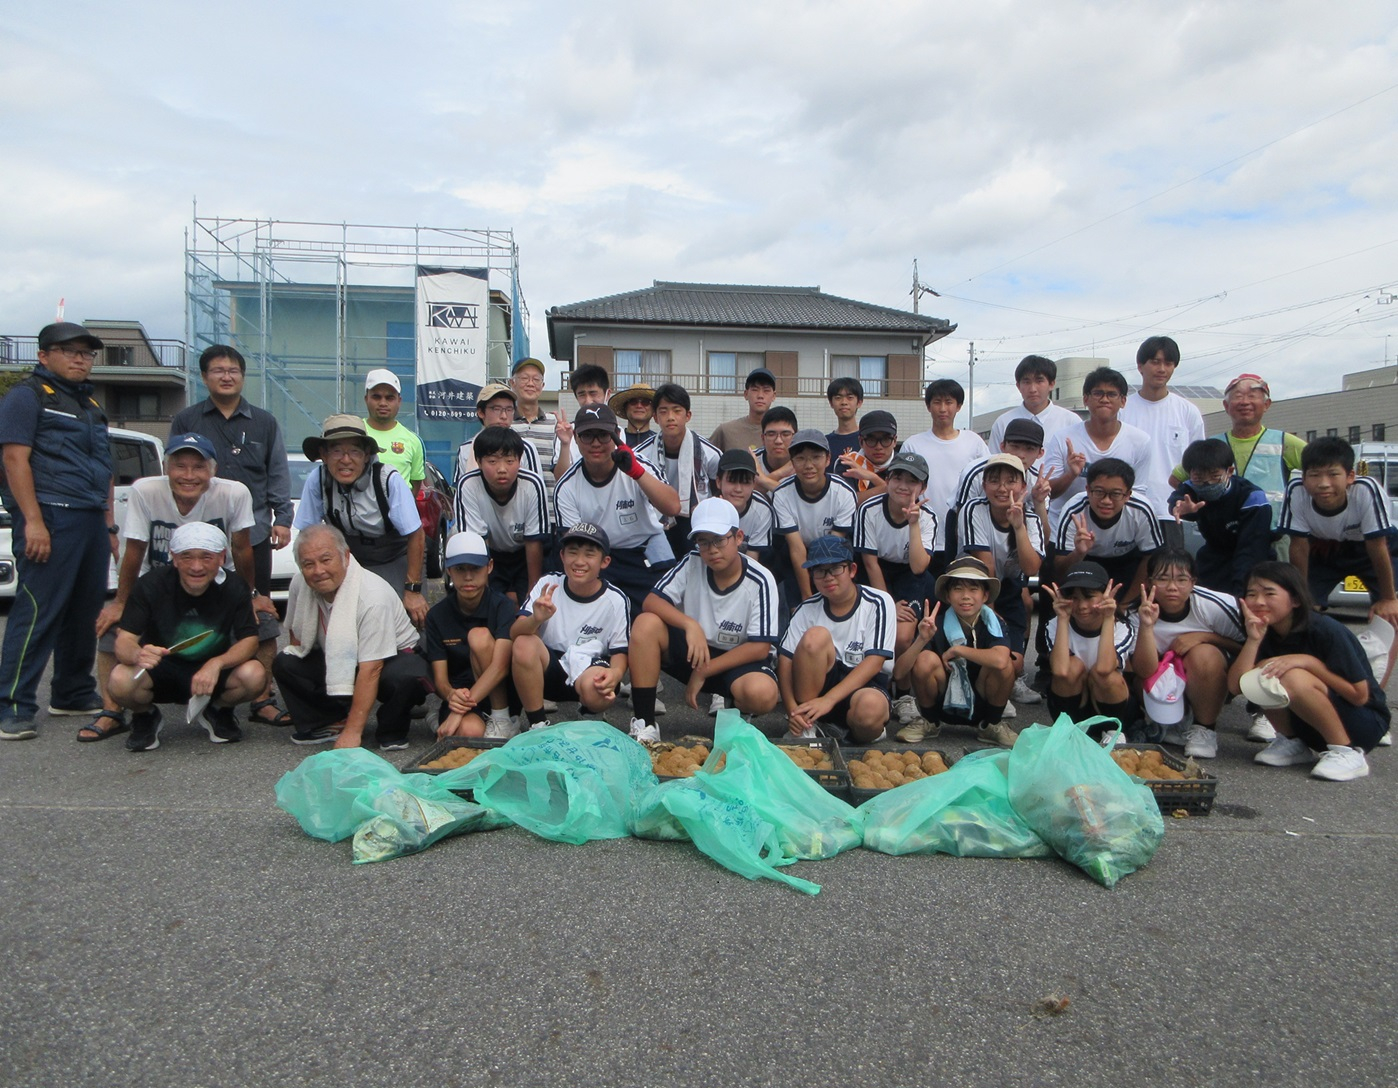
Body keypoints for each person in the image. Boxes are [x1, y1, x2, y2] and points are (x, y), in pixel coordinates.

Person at [88, 432, 279, 742]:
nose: (188, 475)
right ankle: (119, 711)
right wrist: (122, 602)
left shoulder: (234, 493)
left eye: (198, 467)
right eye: (180, 466)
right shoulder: (145, 491)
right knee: (113, 631)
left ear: (213, 470)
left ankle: (256, 702)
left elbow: (242, 548)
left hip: (219, 582)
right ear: (166, 468)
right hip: (161, 584)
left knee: (264, 626)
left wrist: (252, 595)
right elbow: (134, 548)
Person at [0, 322, 115, 740]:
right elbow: (14, 459)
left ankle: (71, 690)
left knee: (85, 611)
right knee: (37, 610)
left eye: (86, 353)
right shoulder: (26, 396)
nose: (80, 359)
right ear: (44, 355)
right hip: (50, 513)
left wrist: (109, 523)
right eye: (70, 351)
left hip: (89, 517)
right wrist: (32, 520)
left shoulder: (89, 403)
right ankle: (13, 704)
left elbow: (105, 467)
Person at [168, 343, 294, 650]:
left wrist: (283, 518)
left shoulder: (264, 422)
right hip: (201, 528)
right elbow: (175, 470)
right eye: (218, 371)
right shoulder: (188, 420)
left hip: (255, 530)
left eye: (233, 371)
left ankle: (260, 690)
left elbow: (276, 470)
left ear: (242, 376)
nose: (227, 376)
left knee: (257, 603)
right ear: (204, 376)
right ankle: (209, 673)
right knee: (202, 603)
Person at [629, 498, 782, 741]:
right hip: (695, 650)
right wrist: (690, 625)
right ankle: (645, 723)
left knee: (762, 693)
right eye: (703, 541)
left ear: (739, 537)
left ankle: (737, 720)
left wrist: (704, 671)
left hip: (737, 659)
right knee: (646, 624)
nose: (711, 549)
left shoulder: (761, 579)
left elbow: (760, 647)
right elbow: (651, 601)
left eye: (719, 539)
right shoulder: (692, 561)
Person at [108, 523, 265, 751]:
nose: (196, 566)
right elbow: (124, 640)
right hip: (162, 666)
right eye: (186, 557)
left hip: (211, 671)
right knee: (120, 680)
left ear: (222, 558)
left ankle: (218, 710)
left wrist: (217, 663)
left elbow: (249, 640)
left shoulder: (234, 586)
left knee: (255, 675)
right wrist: (137, 653)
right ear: (173, 558)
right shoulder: (151, 584)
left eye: (206, 557)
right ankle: (145, 716)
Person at [1231, 561, 1389, 782]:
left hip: (1361, 723)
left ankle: (1347, 753)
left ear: (1295, 599)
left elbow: (1359, 695)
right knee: (1260, 672)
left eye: (1269, 594)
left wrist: (1309, 663)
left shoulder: (1325, 630)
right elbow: (1237, 685)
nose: (1259, 602)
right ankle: (1291, 742)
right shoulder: (1260, 628)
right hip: (1307, 724)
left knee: (1292, 676)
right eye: (1251, 594)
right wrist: (1253, 640)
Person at [273, 524, 428, 749]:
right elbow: (297, 638)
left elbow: (372, 668)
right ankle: (331, 720)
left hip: (388, 662)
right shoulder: (300, 584)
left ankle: (391, 727)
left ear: (345, 556)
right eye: (308, 564)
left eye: (326, 560)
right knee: (287, 662)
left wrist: (353, 733)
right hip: (342, 658)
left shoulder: (372, 596)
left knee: (406, 677)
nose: (318, 571)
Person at [294, 415, 428, 626]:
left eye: (355, 451)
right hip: (348, 559)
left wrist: (413, 589)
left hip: (392, 556)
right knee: (333, 619)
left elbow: (416, 534)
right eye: (337, 450)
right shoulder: (317, 480)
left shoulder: (388, 479)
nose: (346, 460)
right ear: (324, 454)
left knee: (405, 620)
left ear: (367, 455)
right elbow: (307, 534)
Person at [552, 404, 681, 613]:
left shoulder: (638, 464)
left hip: (644, 547)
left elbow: (673, 506)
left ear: (617, 435)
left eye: (604, 436)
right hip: (597, 554)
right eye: (587, 436)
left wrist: (636, 472)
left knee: (662, 610)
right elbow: (573, 544)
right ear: (575, 438)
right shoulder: (566, 485)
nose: (596, 444)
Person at [510, 523, 631, 729]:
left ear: (605, 561)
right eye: (572, 553)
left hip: (590, 667)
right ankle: (537, 725)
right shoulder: (548, 584)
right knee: (523, 644)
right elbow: (515, 632)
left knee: (599, 689)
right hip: (550, 667)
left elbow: (620, 650)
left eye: (589, 554)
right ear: (562, 556)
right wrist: (536, 619)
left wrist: (615, 674)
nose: (579, 561)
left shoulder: (616, 599)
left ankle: (590, 716)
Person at [778, 535, 894, 742]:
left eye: (835, 568)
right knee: (816, 636)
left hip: (865, 685)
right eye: (820, 571)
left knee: (869, 713)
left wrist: (829, 700)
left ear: (852, 570)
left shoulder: (879, 601)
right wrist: (793, 711)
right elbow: (785, 660)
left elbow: (875, 662)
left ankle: (852, 734)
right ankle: (808, 725)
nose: (828, 577)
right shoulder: (807, 608)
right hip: (817, 690)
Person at [853, 450, 937, 733]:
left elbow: (918, 566)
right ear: (887, 480)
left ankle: (902, 693)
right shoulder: (870, 510)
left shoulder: (928, 517)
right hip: (875, 570)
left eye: (912, 481)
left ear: (922, 487)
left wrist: (913, 524)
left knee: (902, 633)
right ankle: (873, 683)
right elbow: (869, 561)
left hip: (908, 573)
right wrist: (887, 603)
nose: (903, 485)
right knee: (873, 623)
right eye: (897, 477)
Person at [893, 555, 1017, 748]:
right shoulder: (936, 624)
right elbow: (899, 673)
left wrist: (959, 650)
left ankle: (991, 725)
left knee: (1005, 665)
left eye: (973, 589)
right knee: (925, 659)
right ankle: (929, 722)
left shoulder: (994, 623)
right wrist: (921, 640)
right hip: (943, 702)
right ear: (948, 595)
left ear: (985, 596)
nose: (965, 596)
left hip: (984, 698)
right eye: (958, 589)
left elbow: (1001, 660)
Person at [1132, 549, 1245, 758]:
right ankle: (1171, 722)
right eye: (1163, 579)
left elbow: (1249, 648)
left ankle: (1205, 728)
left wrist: (1206, 637)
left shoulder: (1214, 605)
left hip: (1211, 676)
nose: (1172, 587)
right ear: (1149, 582)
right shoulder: (1136, 612)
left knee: (1203, 655)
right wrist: (1147, 626)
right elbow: (1142, 670)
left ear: (1193, 582)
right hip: (1162, 680)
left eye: (1181, 579)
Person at [1280, 436, 1398, 629]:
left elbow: (1377, 545)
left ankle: (1380, 658)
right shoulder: (1296, 491)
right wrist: (1301, 594)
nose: (1323, 483)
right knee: (1300, 608)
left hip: (1370, 549)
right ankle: (1308, 653)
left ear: (1350, 476)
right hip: (1323, 548)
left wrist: (1388, 598)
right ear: (1303, 477)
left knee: (1391, 612)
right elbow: (1299, 546)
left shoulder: (1365, 490)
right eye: (1315, 475)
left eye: (1333, 474)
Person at [1170, 373, 1304, 536]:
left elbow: (1321, 469)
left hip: (1274, 535)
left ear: (1267, 404)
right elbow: (1176, 478)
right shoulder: (1212, 446)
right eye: (1238, 396)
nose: (1245, 402)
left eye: (1252, 396)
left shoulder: (1286, 442)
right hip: (1223, 537)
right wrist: (1204, 503)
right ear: (1226, 406)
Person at [957, 453, 1045, 686]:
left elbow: (1032, 567)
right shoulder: (973, 509)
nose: (1002, 488)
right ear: (984, 485)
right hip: (975, 583)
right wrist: (991, 614)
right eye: (994, 481)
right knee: (990, 649)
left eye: (1011, 481)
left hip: (1009, 585)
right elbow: (986, 565)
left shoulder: (1032, 520)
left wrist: (1018, 527)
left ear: (1023, 486)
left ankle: (1013, 680)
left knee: (1012, 663)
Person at [422, 532, 518, 740]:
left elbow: (500, 667)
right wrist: (450, 695)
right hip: (462, 693)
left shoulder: (504, 607)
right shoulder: (436, 615)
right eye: (460, 569)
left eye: (475, 568)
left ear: (489, 567)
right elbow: (440, 679)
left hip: (498, 692)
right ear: (448, 570)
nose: (468, 577)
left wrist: (457, 712)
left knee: (480, 636)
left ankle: (501, 718)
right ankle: (438, 719)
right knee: (470, 733)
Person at [1041, 367, 1154, 537]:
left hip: (1117, 535)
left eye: (1112, 394)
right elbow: (1049, 493)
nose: (1104, 399)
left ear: (1123, 401)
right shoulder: (1063, 438)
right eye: (1098, 393)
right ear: (1086, 399)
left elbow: (1136, 495)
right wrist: (1071, 474)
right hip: (1067, 530)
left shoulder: (1140, 441)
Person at [1118, 336, 1204, 543]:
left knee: (1170, 573)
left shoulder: (1188, 412)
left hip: (1171, 512)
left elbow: (1198, 465)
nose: (1162, 369)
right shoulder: (1122, 409)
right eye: (1155, 362)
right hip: (1128, 510)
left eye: (1168, 363)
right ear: (1140, 366)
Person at [452, 426, 551, 602]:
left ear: (520, 460)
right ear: (479, 461)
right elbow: (477, 542)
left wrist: (532, 590)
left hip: (524, 554)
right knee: (489, 604)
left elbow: (534, 541)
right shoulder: (467, 485)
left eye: (509, 461)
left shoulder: (532, 485)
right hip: (491, 554)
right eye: (492, 461)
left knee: (532, 603)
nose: (502, 469)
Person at [898, 378, 989, 564]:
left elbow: (987, 483)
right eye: (937, 402)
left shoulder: (974, 442)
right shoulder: (913, 444)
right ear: (928, 406)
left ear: (959, 406)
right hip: (923, 535)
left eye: (949, 402)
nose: (942, 408)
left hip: (965, 535)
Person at [1044, 561, 1137, 738]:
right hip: (1070, 707)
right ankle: (1070, 730)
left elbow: (1103, 668)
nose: (1082, 606)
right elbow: (1061, 671)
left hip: (1111, 709)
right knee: (1071, 668)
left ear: (1106, 596)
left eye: (1089, 596)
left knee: (1106, 675)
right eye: (1074, 597)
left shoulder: (1122, 627)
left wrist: (1108, 618)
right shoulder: (1054, 624)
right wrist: (1063, 618)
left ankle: (1113, 732)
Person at [1168, 438, 1272, 597]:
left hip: (1252, 553)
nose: (1207, 483)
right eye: (1199, 477)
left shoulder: (1252, 497)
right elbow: (1178, 500)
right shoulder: (1191, 487)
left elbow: (1252, 549)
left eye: (1214, 476)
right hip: (1214, 555)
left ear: (1229, 471)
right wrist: (1181, 508)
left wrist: (1241, 594)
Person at [1052, 458, 1162, 603]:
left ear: (1128, 495)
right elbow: (1060, 571)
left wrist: (1125, 605)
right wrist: (1078, 553)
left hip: (1127, 561)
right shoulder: (1073, 511)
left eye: (1115, 494)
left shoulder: (1142, 510)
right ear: (1087, 490)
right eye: (1098, 492)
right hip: (1086, 561)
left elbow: (1151, 559)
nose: (1106, 501)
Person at [634, 383, 722, 556]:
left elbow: (718, 488)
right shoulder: (640, 454)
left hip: (696, 519)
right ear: (655, 418)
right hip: (654, 519)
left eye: (676, 410)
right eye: (663, 411)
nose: (670, 417)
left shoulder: (709, 453)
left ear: (688, 415)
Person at [772, 430, 858, 600]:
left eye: (815, 457)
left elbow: (834, 546)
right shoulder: (782, 493)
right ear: (792, 462)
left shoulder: (844, 493)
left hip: (834, 552)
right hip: (798, 554)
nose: (808, 465)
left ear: (828, 459)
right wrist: (807, 597)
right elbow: (796, 548)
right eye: (801, 458)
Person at [988, 355, 1081, 454]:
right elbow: (993, 462)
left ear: (1051, 384)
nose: (1033, 389)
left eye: (1039, 381)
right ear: (1018, 386)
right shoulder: (1003, 423)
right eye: (1026, 382)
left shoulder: (1071, 422)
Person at [456, 382, 544, 480]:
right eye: (496, 409)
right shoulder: (465, 450)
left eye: (509, 409)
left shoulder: (526, 448)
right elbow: (462, 489)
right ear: (481, 412)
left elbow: (535, 488)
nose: (504, 416)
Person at [361, 368, 425, 496]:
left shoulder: (413, 440)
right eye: (376, 397)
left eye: (389, 398)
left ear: (399, 401)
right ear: (366, 399)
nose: (383, 403)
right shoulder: (354, 433)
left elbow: (416, 483)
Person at [509, 357, 564, 491]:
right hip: (514, 509)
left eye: (536, 379)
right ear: (512, 383)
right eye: (524, 378)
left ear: (542, 385)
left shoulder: (556, 425)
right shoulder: (505, 423)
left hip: (550, 508)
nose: (530, 383)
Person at [714, 448, 775, 566]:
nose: (738, 489)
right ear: (718, 482)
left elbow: (752, 559)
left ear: (753, 484)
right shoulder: (708, 509)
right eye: (732, 481)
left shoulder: (762, 511)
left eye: (745, 482)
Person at [551, 364, 611, 478]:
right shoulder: (565, 432)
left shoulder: (618, 431)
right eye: (582, 394)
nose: (588, 401)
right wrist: (565, 443)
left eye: (593, 393)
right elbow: (560, 478)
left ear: (607, 394)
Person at [710, 367, 778, 453]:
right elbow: (706, 458)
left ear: (774, 396)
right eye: (755, 390)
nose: (760, 395)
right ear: (746, 394)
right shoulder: (726, 430)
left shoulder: (783, 433)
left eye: (766, 390)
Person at [838, 409, 900, 497]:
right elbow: (847, 502)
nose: (879, 447)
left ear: (895, 441)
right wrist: (887, 488)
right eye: (871, 440)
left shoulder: (903, 466)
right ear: (860, 442)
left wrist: (872, 478)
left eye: (886, 440)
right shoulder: (848, 463)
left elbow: (904, 502)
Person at [825, 376, 865, 476]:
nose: (844, 402)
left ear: (859, 402)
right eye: (838, 398)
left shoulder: (868, 440)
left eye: (850, 397)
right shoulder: (825, 442)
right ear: (831, 403)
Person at [754, 406, 798, 492]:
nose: (778, 441)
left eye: (785, 434)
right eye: (771, 434)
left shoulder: (804, 463)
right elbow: (741, 495)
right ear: (763, 438)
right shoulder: (752, 461)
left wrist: (762, 480)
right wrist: (781, 473)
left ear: (795, 437)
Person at [609, 382, 657, 448]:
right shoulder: (613, 440)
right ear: (625, 408)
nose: (639, 406)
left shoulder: (659, 442)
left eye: (645, 402)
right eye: (633, 401)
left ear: (653, 410)